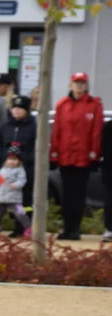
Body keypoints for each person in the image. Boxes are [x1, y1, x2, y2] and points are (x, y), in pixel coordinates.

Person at [51, 72, 103, 240]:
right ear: (70, 85)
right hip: (65, 157)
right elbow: (57, 131)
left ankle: (75, 228)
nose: (79, 86)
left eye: (82, 83)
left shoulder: (94, 105)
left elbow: (96, 132)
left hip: (83, 158)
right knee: (66, 194)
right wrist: (53, 154)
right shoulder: (62, 105)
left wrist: (95, 156)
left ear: (87, 85)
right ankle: (66, 227)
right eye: (76, 83)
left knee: (78, 194)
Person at [0, 94, 37, 236]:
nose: (17, 111)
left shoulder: (33, 126)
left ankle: (24, 227)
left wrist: (25, 158)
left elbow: (37, 146)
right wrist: (1, 156)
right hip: (6, 169)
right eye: (15, 108)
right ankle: (4, 226)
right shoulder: (5, 126)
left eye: (20, 108)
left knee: (25, 199)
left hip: (25, 168)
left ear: (27, 110)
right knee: (5, 199)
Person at [0, 146, 31, 237]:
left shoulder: (20, 170)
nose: (12, 161)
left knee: (20, 213)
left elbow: (22, 181)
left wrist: (16, 185)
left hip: (14, 198)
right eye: (10, 159)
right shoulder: (2, 170)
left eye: (15, 159)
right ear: (6, 160)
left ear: (19, 160)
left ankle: (28, 228)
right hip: (1, 197)